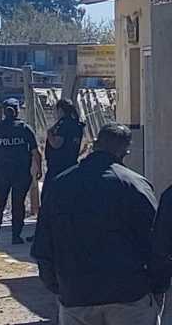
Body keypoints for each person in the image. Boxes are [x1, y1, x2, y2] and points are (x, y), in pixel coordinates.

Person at [32, 123, 160, 325]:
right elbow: (157, 243)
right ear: (125, 151)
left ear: (94, 144)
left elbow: (43, 244)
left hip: (76, 295)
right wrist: (156, 286)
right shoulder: (135, 185)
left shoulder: (60, 184)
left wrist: (59, 286)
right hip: (128, 295)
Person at [0, 98, 42, 245]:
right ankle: (16, 237)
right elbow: (36, 152)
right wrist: (39, 169)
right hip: (21, 173)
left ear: (4, 111)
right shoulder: (25, 128)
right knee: (18, 204)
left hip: (2, 173)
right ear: (18, 111)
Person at [44, 98, 86, 185]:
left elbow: (56, 144)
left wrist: (49, 133)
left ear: (60, 110)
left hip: (58, 167)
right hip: (71, 165)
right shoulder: (77, 124)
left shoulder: (63, 124)